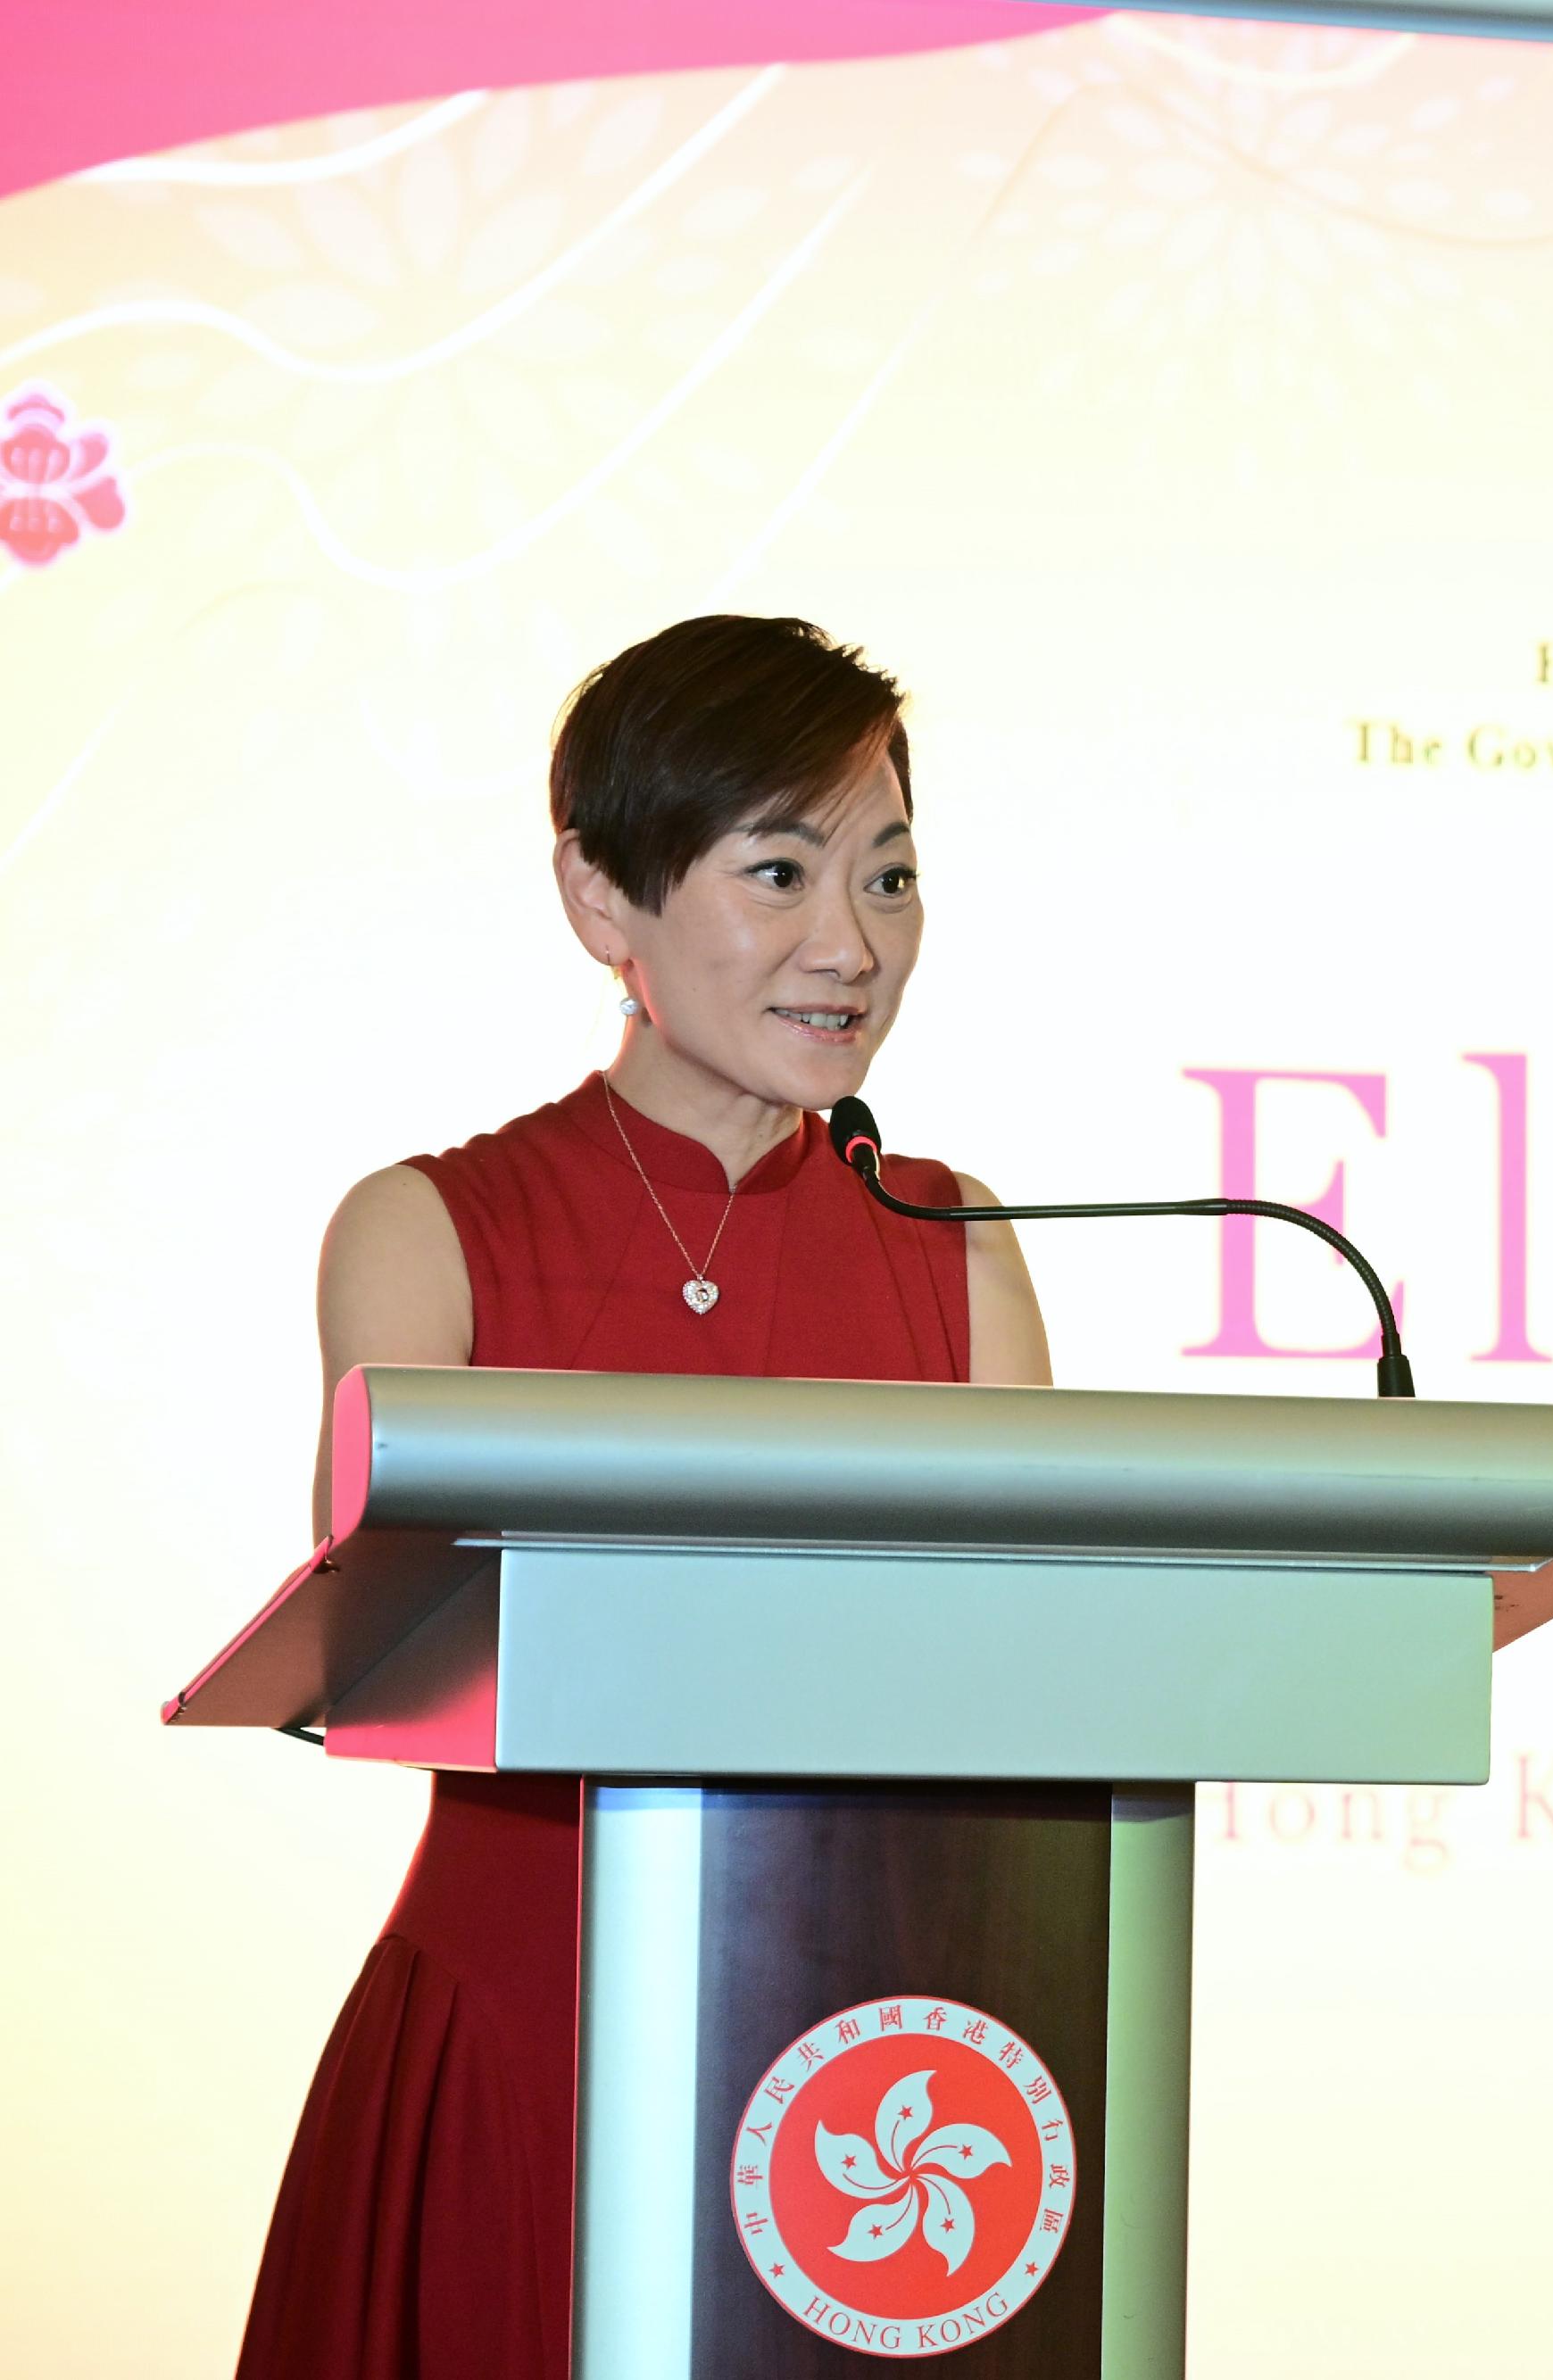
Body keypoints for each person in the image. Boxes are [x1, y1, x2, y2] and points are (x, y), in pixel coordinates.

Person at [236, 616, 1050, 2379]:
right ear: (602, 900)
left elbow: (1044, 1664)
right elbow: (385, 1652)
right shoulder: (432, 1228)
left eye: (892, 876)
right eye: (781, 870)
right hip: (533, 2021)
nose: (853, 944)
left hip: (884, 2068)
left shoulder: (955, 1246)